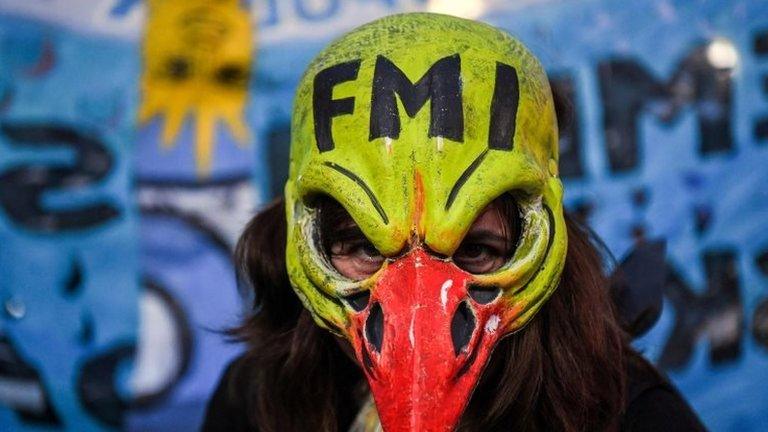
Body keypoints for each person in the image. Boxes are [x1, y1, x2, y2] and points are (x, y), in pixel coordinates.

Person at [202, 13, 706, 432]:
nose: (418, 334)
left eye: (476, 250)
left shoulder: (634, 415)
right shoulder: (255, 399)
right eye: (363, 248)